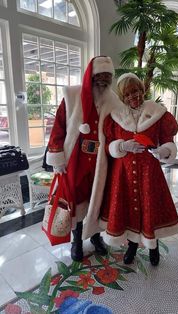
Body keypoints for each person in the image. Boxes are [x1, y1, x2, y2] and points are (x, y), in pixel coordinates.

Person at [95, 72, 178, 266]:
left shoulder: (158, 113)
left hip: (149, 172)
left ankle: (153, 246)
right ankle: (132, 246)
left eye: (135, 91)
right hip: (123, 173)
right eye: (127, 94)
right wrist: (121, 146)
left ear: (142, 90)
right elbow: (108, 145)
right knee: (128, 210)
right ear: (122, 97)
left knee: (149, 208)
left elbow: (168, 141)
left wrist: (164, 150)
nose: (132, 97)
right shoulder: (115, 117)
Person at [46, 56, 122, 261]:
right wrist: (58, 159)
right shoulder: (72, 95)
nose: (103, 80)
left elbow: (119, 130)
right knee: (78, 203)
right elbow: (59, 127)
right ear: (91, 75)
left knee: (98, 200)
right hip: (76, 161)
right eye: (100, 75)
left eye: (108, 76)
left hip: (102, 163)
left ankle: (96, 237)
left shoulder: (114, 101)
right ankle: (77, 241)